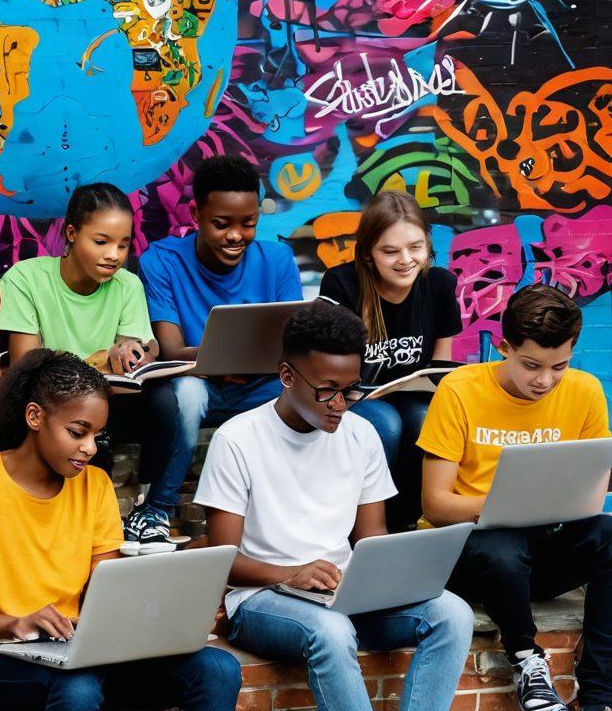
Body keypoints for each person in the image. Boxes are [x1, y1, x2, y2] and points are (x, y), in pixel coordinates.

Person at [199, 301, 474, 711]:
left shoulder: (362, 435)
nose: (341, 403)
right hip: (260, 598)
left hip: (342, 593)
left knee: (453, 615)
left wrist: (386, 576)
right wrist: (294, 574)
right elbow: (223, 560)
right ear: (287, 376)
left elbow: (372, 539)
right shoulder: (237, 439)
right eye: (327, 389)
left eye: (351, 389)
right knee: (330, 630)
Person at [0, 350, 241, 711]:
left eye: (97, 435)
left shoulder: (96, 485)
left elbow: (103, 589)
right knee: (78, 687)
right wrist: (16, 623)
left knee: (218, 668)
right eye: (78, 432)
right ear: (35, 416)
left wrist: (157, 615)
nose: (90, 447)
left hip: (81, 651)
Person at [418, 284, 612, 711]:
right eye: (531, 365)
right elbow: (435, 504)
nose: (545, 380)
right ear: (503, 347)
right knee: (501, 547)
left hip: (541, 553)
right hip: (474, 554)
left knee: (609, 531)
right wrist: (505, 507)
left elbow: (593, 491)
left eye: (559, 366)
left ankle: (600, 690)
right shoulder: (459, 389)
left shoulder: (585, 391)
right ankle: (528, 662)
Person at [130, 155, 302, 555]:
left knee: (300, 393)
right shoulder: (162, 260)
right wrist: (231, 358)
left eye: (248, 223)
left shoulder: (276, 259)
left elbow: (292, 342)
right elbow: (171, 349)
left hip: (259, 387)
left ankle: (283, 510)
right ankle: (157, 509)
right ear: (195, 213)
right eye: (221, 224)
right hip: (194, 385)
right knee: (188, 393)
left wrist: (236, 360)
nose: (235, 236)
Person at [320, 190, 461, 525]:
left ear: (427, 244)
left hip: (413, 395)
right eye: (390, 251)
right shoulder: (342, 284)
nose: (405, 259)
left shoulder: (439, 284)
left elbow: (441, 368)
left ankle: (412, 520)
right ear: (368, 253)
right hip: (356, 398)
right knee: (387, 423)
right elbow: (327, 367)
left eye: (415, 247)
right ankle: (367, 525)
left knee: (425, 421)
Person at [0, 182, 157, 371]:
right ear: (71, 233)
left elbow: (132, 353)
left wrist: (130, 350)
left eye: (123, 245)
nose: (114, 255)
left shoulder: (129, 285)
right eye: (101, 242)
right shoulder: (25, 278)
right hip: (46, 396)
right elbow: (26, 367)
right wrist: (100, 361)